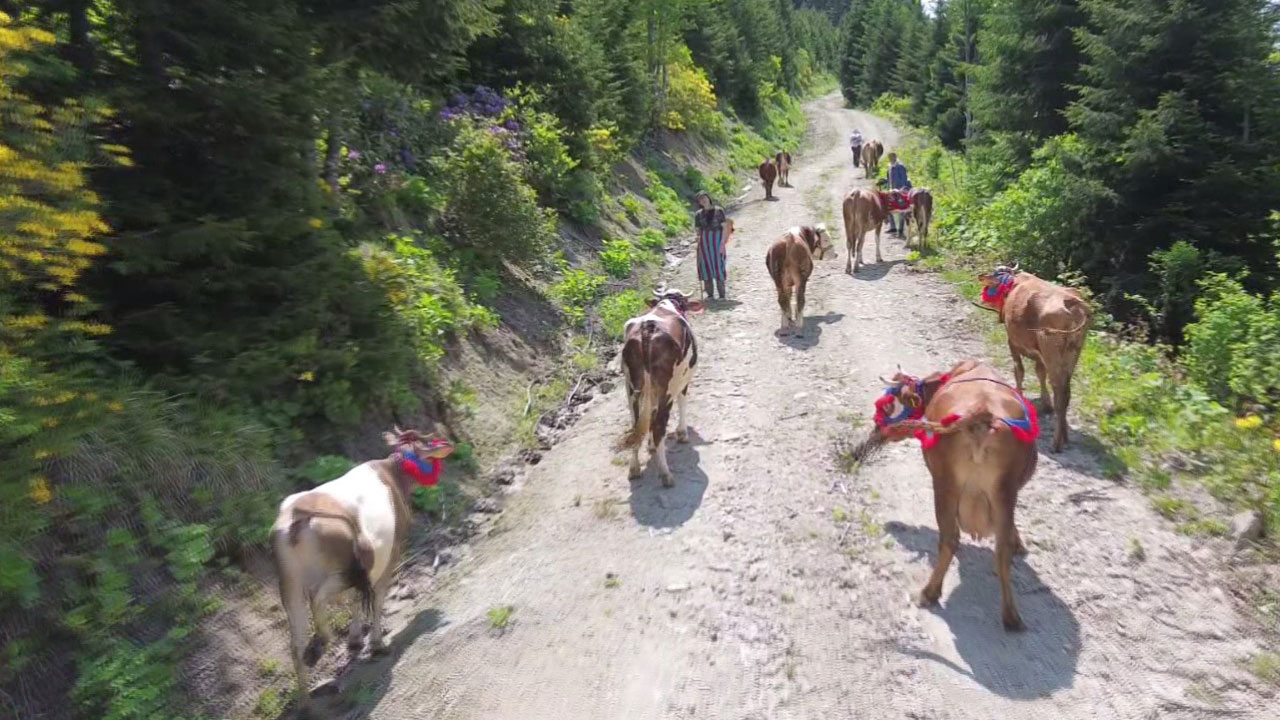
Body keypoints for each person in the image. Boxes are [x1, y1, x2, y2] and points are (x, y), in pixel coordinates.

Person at [694, 191, 730, 299]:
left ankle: (722, 295)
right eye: (701, 199)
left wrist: (722, 243)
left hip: (717, 241)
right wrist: (698, 240)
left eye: (704, 197)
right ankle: (710, 295)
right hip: (704, 243)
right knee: (705, 267)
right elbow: (698, 230)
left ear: (709, 198)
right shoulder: (698, 214)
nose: (703, 200)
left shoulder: (719, 211)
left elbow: (725, 227)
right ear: (699, 202)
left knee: (718, 266)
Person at [884, 153, 912, 236]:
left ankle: (900, 230)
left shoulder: (901, 167)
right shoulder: (889, 166)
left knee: (901, 210)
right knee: (888, 207)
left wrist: (901, 190)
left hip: (900, 191)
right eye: (889, 157)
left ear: (895, 157)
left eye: (892, 157)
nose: (891, 159)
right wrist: (884, 182)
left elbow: (904, 179)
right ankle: (893, 227)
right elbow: (889, 179)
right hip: (891, 190)